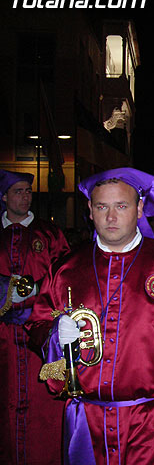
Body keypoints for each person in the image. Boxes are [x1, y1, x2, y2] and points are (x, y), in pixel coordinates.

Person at [25, 168, 154, 465]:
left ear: (138, 209)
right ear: (90, 210)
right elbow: (37, 323)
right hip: (88, 424)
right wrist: (54, 335)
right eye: (102, 207)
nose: (111, 217)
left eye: (121, 206)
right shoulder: (66, 269)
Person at [0, 169, 69, 465]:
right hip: (2, 338)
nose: (25, 196)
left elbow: (64, 278)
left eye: (28, 191)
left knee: (46, 405)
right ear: (4, 197)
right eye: (18, 191)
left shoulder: (49, 233)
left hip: (39, 337)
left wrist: (34, 303)